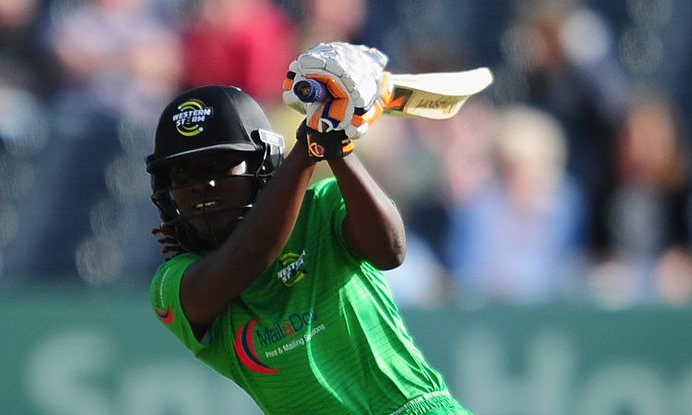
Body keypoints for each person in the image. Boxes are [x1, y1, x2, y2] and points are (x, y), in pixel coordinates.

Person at [146, 42, 472, 415]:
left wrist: (335, 145)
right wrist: (308, 148)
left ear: (265, 163)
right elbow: (248, 258)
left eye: (222, 165)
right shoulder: (172, 286)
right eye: (182, 173)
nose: (202, 185)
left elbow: (391, 251)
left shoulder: (323, 206)